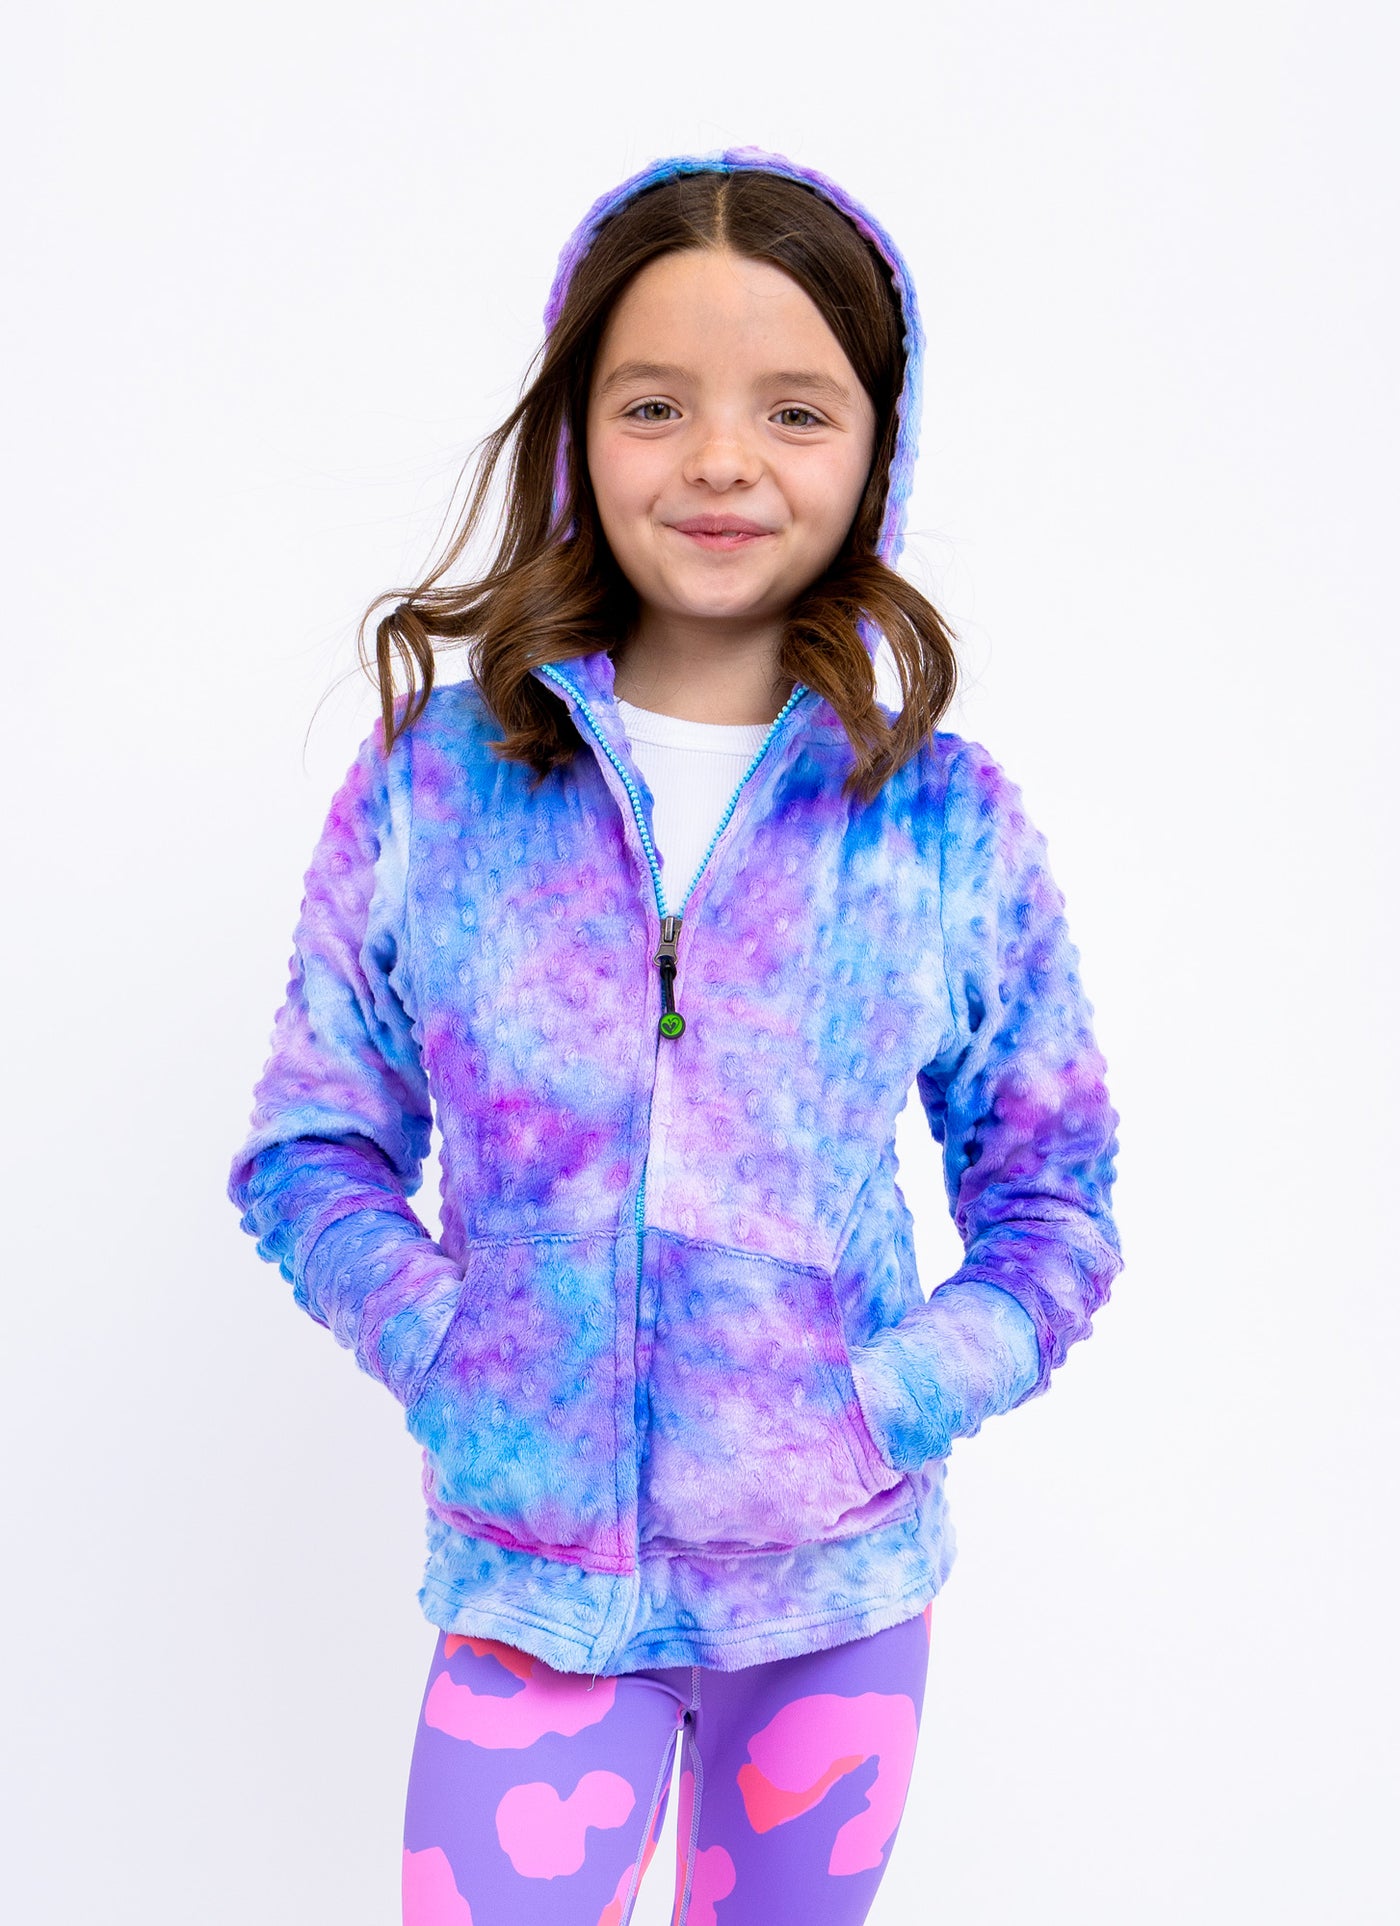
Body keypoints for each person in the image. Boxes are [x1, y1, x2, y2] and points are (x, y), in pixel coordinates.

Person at [227, 147, 1123, 1926]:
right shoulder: (436, 787)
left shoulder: (938, 822)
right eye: (656, 404)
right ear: (577, 435)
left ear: (875, 448)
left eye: (793, 408)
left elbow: (1055, 1202)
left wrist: (874, 1406)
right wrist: (451, 1348)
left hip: (832, 1599)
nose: (720, 457)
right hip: (534, 1589)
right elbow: (309, 1145)